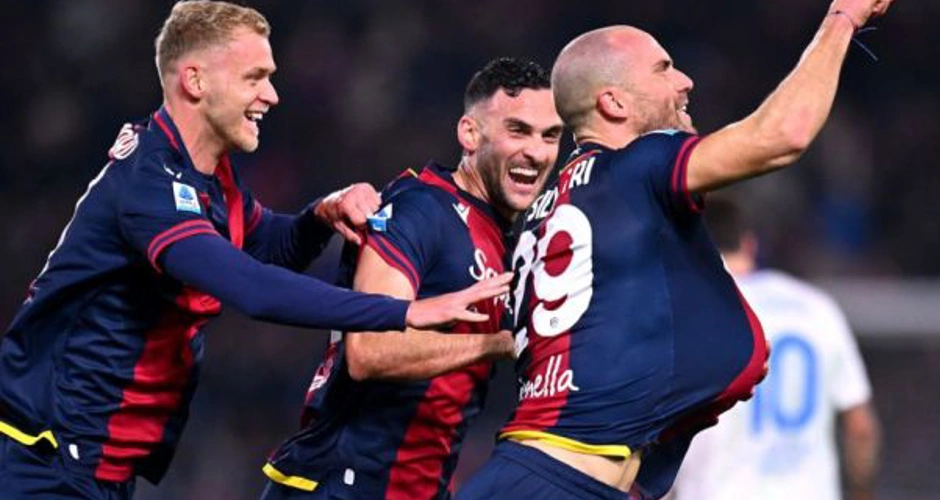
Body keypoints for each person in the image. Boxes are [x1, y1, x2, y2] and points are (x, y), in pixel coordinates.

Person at [0, 2, 510, 499]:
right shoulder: (150, 183)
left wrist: (320, 215)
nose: (271, 95)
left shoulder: (207, 177)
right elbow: (251, 288)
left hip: (91, 463)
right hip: (43, 455)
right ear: (195, 81)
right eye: (254, 77)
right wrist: (403, 312)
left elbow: (268, 245)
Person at [456, 0, 896, 499]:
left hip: (550, 474)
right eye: (663, 69)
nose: (685, 81)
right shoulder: (638, 167)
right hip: (552, 482)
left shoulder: (553, 210)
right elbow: (781, 136)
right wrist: (842, 19)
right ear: (614, 103)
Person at [259, 57, 564, 500]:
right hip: (341, 485)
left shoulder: (504, 239)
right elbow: (369, 351)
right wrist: (501, 342)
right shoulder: (421, 209)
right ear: (470, 134)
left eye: (550, 135)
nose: (536, 152)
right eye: (517, 130)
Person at [669, 199, 881, 500]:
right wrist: (861, 491)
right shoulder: (817, 308)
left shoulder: (690, 315)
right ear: (749, 244)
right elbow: (860, 427)